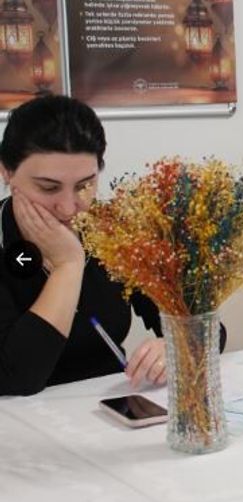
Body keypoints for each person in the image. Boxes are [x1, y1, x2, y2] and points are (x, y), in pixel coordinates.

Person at [0, 95, 169, 395]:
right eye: (48, 187)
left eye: (84, 186)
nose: (68, 208)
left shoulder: (115, 230)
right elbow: (17, 378)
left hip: (109, 412)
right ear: (6, 172)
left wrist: (174, 347)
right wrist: (68, 265)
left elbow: (206, 329)